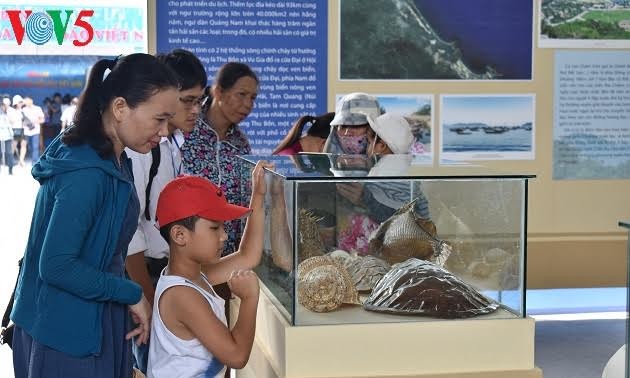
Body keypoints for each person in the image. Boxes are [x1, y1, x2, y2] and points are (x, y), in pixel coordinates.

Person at [10, 53, 180, 378]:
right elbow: (58, 265)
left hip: (92, 320)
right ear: (119, 108)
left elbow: (103, 253)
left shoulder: (116, 158)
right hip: (67, 336)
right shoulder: (86, 172)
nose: (164, 131)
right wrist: (131, 293)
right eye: (159, 119)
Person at [125, 48, 207, 375]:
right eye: (186, 100)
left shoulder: (172, 144)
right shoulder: (143, 150)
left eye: (199, 100)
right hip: (141, 274)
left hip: (162, 272)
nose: (194, 110)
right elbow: (130, 230)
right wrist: (145, 294)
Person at [147, 163, 269, 378]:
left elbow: (247, 256)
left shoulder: (194, 275)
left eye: (223, 227)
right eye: (214, 228)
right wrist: (249, 298)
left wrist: (257, 197)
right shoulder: (182, 295)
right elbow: (237, 356)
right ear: (179, 235)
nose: (223, 236)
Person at [181, 61, 258, 256]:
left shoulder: (241, 143)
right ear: (218, 91)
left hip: (228, 253)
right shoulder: (187, 130)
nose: (248, 104)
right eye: (241, 94)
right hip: (186, 248)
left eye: (253, 98)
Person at [20, 96, 45, 164]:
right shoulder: (23, 110)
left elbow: (42, 120)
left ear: (31, 100)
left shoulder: (38, 108)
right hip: (26, 131)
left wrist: (35, 121)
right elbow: (20, 120)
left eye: (27, 101)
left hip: (35, 131)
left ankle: (34, 162)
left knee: (35, 147)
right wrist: (24, 123)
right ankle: (24, 160)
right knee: (29, 147)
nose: (25, 102)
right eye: (25, 101)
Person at [0, 97, 15, 175]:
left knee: (9, 152)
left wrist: (8, 117)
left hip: (8, 134)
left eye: (4, 105)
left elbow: (13, 122)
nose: (3, 107)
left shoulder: (10, 112)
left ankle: (10, 169)